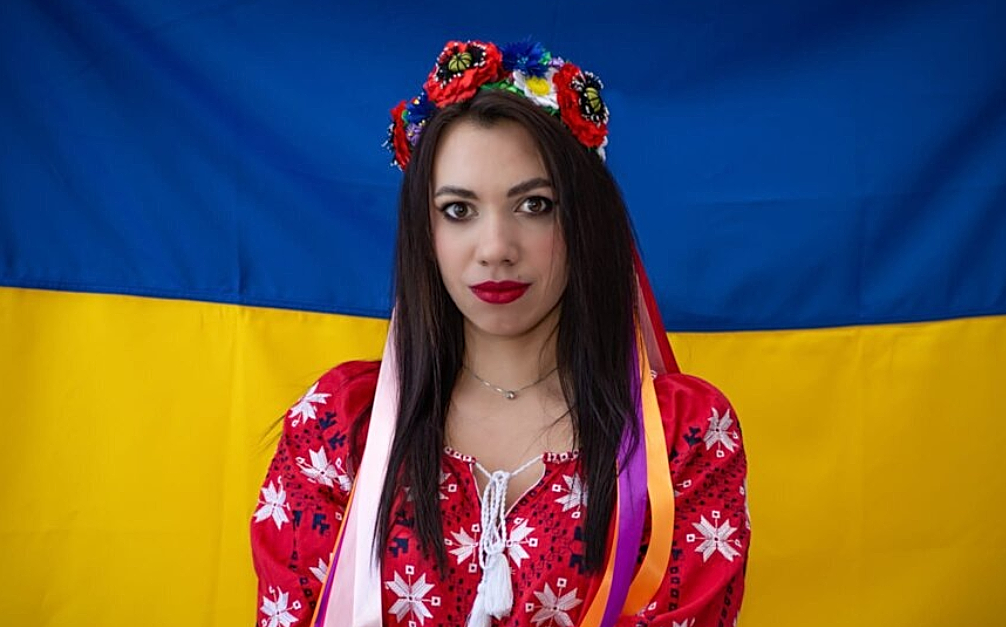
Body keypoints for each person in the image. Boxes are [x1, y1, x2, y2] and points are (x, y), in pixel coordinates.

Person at [251, 39, 749, 627]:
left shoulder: (683, 438)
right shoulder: (338, 426)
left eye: (535, 205)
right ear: (424, 232)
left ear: (585, 219)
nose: (495, 250)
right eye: (459, 210)